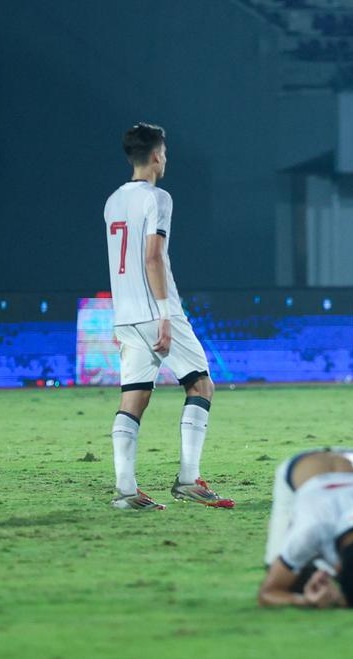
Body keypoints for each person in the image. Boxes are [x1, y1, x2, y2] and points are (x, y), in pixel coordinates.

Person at [102, 123, 233, 510]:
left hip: (125, 314)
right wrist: (163, 314)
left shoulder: (112, 201)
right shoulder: (158, 198)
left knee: (134, 397)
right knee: (201, 385)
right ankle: (189, 480)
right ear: (157, 155)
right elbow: (153, 256)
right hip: (158, 310)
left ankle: (126, 491)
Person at [259, 447, 353, 609]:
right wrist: (306, 601)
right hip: (298, 470)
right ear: (336, 568)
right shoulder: (309, 530)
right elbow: (268, 593)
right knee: (291, 582)